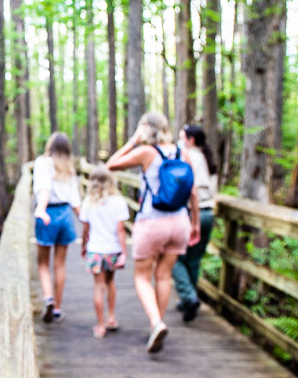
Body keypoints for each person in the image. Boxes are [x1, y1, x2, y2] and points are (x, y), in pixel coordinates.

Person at [106, 112, 200, 353]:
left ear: (146, 129)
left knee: (141, 277)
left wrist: (133, 142)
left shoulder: (147, 152)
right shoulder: (182, 153)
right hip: (179, 222)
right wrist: (195, 223)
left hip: (152, 222)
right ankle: (156, 324)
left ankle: (156, 322)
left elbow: (110, 166)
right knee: (164, 275)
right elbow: (194, 193)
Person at [33, 132, 81, 323]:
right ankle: (57, 309)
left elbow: (44, 187)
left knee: (43, 263)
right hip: (66, 215)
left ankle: (48, 298)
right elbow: (76, 201)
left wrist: (40, 208)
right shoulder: (69, 169)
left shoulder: (42, 162)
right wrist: (87, 222)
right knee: (60, 264)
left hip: (48, 215)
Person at [174, 124, 218, 322]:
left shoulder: (188, 156)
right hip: (209, 213)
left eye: (182, 137)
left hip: (193, 213)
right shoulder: (209, 158)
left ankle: (189, 296)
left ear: (191, 140)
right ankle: (188, 300)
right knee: (193, 260)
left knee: (175, 258)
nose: (180, 141)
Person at [80, 166, 129, 339]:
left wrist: (83, 246)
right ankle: (111, 317)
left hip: (96, 249)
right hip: (113, 250)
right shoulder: (119, 202)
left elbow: (85, 229)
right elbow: (121, 230)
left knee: (99, 287)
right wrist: (124, 252)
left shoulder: (88, 202)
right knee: (110, 282)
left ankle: (100, 326)